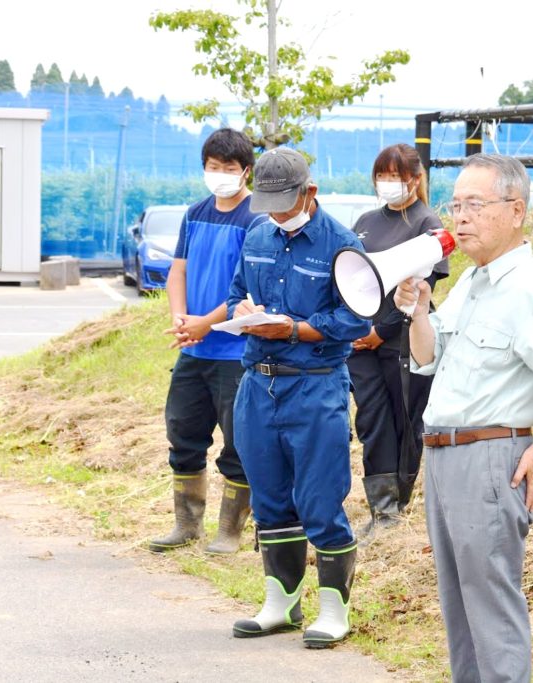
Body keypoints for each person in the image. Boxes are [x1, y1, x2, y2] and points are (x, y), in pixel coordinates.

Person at [393, 153, 533, 681]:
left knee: (491, 607)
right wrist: (418, 309)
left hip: (489, 458)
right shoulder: (472, 282)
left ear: (516, 211)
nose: (459, 217)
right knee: (459, 607)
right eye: (455, 204)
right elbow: (427, 358)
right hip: (445, 457)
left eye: (474, 205)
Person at [226, 147, 371, 648]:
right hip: (257, 383)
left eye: (284, 204)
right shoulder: (257, 234)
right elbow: (234, 291)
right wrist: (241, 309)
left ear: (310, 193)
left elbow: (356, 320)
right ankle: (281, 602)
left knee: (319, 496)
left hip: (315, 385)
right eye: (267, 204)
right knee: (268, 495)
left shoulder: (342, 245)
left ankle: (335, 609)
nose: (275, 214)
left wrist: (291, 328)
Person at [149, 128, 267, 555]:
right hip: (193, 349)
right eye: (213, 168)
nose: (219, 175)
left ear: (246, 172)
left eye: (229, 169)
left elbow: (249, 290)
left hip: (234, 350)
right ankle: (187, 525)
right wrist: (182, 320)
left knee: (238, 443)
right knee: (182, 432)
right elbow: (176, 271)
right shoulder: (196, 212)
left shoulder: (256, 219)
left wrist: (207, 323)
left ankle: (230, 531)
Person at [347, 144, 449, 537]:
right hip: (361, 343)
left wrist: (382, 331)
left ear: (415, 179)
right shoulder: (366, 221)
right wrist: (358, 330)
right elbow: (351, 277)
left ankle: (398, 503)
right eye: (382, 176)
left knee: (405, 421)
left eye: (396, 176)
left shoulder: (427, 224)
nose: (388, 184)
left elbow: (421, 287)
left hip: (404, 339)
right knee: (372, 420)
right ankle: (382, 509)